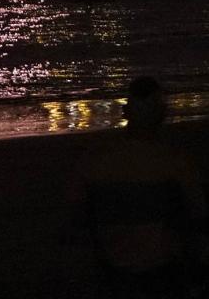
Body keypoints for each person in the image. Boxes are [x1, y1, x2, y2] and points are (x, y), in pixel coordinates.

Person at [76, 77, 206, 296]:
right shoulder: (175, 163)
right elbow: (198, 213)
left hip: (112, 265)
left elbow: (78, 216)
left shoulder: (94, 161)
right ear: (161, 115)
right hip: (164, 267)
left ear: (126, 112)